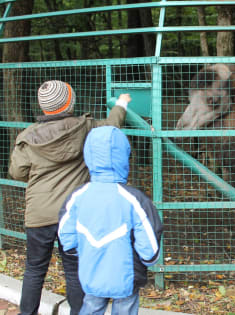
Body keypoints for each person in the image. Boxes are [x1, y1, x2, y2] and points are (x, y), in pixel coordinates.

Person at [8, 80, 129, 315]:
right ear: (70, 102)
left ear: (44, 107)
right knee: (74, 270)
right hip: (74, 214)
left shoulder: (27, 137)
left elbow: (17, 172)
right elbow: (112, 125)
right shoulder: (85, 127)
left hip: (39, 213)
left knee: (34, 269)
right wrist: (121, 104)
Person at [58, 126, 163, 315]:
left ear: (88, 155)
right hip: (126, 278)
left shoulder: (77, 196)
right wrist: (145, 260)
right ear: (124, 156)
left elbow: (67, 239)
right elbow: (150, 250)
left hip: (91, 273)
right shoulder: (134, 199)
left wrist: (86, 252)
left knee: (90, 307)